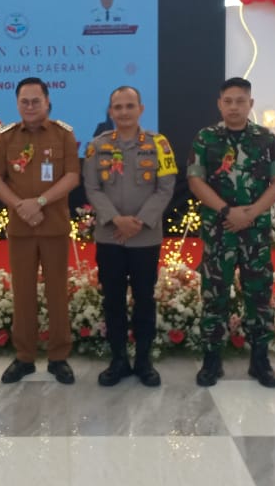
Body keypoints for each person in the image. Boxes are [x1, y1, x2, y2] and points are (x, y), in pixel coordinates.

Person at [187, 77, 275, 389]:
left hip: (255, 233)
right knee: (214, 295)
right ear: (219, 104)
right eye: (228, 101)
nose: (234, 107)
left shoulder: (266, 139)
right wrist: (227, 211)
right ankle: (212, 361)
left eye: (240, 101)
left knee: (259, 296)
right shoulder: (205, 138)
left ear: (250, 104)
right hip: (219, 231)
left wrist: (251, 213)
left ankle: (260, 361)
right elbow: (195, 180)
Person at [0, 78, 81, 385]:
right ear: (17, 104)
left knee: (57, 293)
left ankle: (58, 357)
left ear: (47, 101)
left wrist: (39, 202)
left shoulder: (63, 134)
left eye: (35, 101)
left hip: (53, 226)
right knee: (23, 294)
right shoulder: (6, 137)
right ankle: (24, 357)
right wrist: (20, 206)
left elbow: (72, 176)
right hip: (21, 228)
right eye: (24, 102)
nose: (30, 106)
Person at [83, 86, 177, 387]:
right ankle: (118, 360)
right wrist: (116, 220)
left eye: (129, 106)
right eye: (118, 107)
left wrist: (139, 222)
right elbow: (92, 188)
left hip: (144, 237)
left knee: (144, 299)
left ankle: (144, 360)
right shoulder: (97, 146)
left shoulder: (159, 144)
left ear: (141, 109)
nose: (124, 112)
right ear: (110, 111)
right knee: (112, 299)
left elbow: (165, 188)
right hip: (109, 236)